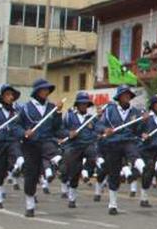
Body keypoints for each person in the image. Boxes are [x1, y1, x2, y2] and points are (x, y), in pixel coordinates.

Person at [18, 78, 64, 217]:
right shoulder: (25, 108)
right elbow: (16, 126)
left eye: (47, 90)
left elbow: (57, 127)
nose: (45, 92)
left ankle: (56, 161)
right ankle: (30, 205)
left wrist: (58, 113)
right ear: (37, 91)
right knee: (31, 175)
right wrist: (24, 132)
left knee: (52, 150)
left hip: (47, 142)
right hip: (31, 145)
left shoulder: (51, 108)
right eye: (43, 89)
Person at [97, 85, 145, 216]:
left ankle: (142, 168)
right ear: (119, 97)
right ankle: (112, 204)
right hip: (113, 142)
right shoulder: (109, 111)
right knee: (114, 174)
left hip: (128, 140)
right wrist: (105, 130)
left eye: (128, 95)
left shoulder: (135, 112)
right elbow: (99, 124)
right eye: (124, 95)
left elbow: (139, 130)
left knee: (133, 152)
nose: (126, 97)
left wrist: (144, 122)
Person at [0, 85, 23, 209]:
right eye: (7, 95)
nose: (10, 97)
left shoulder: (17, 112)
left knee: (17, 152)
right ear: (2, 97)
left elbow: (22, 125)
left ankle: (20, 163)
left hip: (12, 140)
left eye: (12, 95)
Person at [60, 91, 100, 208]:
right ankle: (72, 198)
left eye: (85, 104)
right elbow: (61, 130)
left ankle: (87, 172)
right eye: (81, 104)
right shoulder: (69, 116)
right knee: (74, 172)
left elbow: (96, 130)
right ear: (77, 105)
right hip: (74, 146)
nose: (83, 106)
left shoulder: (91, 118)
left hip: (88, 144)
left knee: (93, 156)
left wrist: (96, 135)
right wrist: (69, 133)